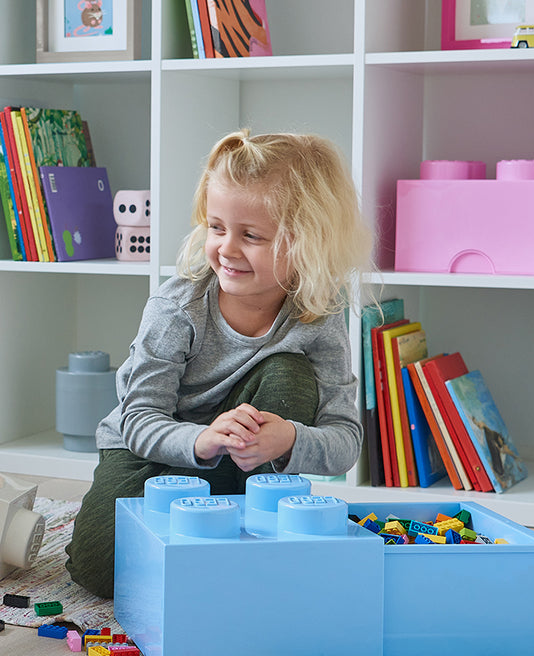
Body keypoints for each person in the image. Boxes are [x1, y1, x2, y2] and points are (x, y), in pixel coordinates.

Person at [65, 130, 373, 598]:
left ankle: (238, 532)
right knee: (100, 569)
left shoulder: (318, 318)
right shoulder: (178, 307)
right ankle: (215, 536)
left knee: (288, 372)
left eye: (251, 235)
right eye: (216, 227)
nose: (227, 249)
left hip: (245, 466)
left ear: (309, 242)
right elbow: (139, 419)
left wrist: (287, 439)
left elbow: (345, 440)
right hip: (149, 451)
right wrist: (204, 440)